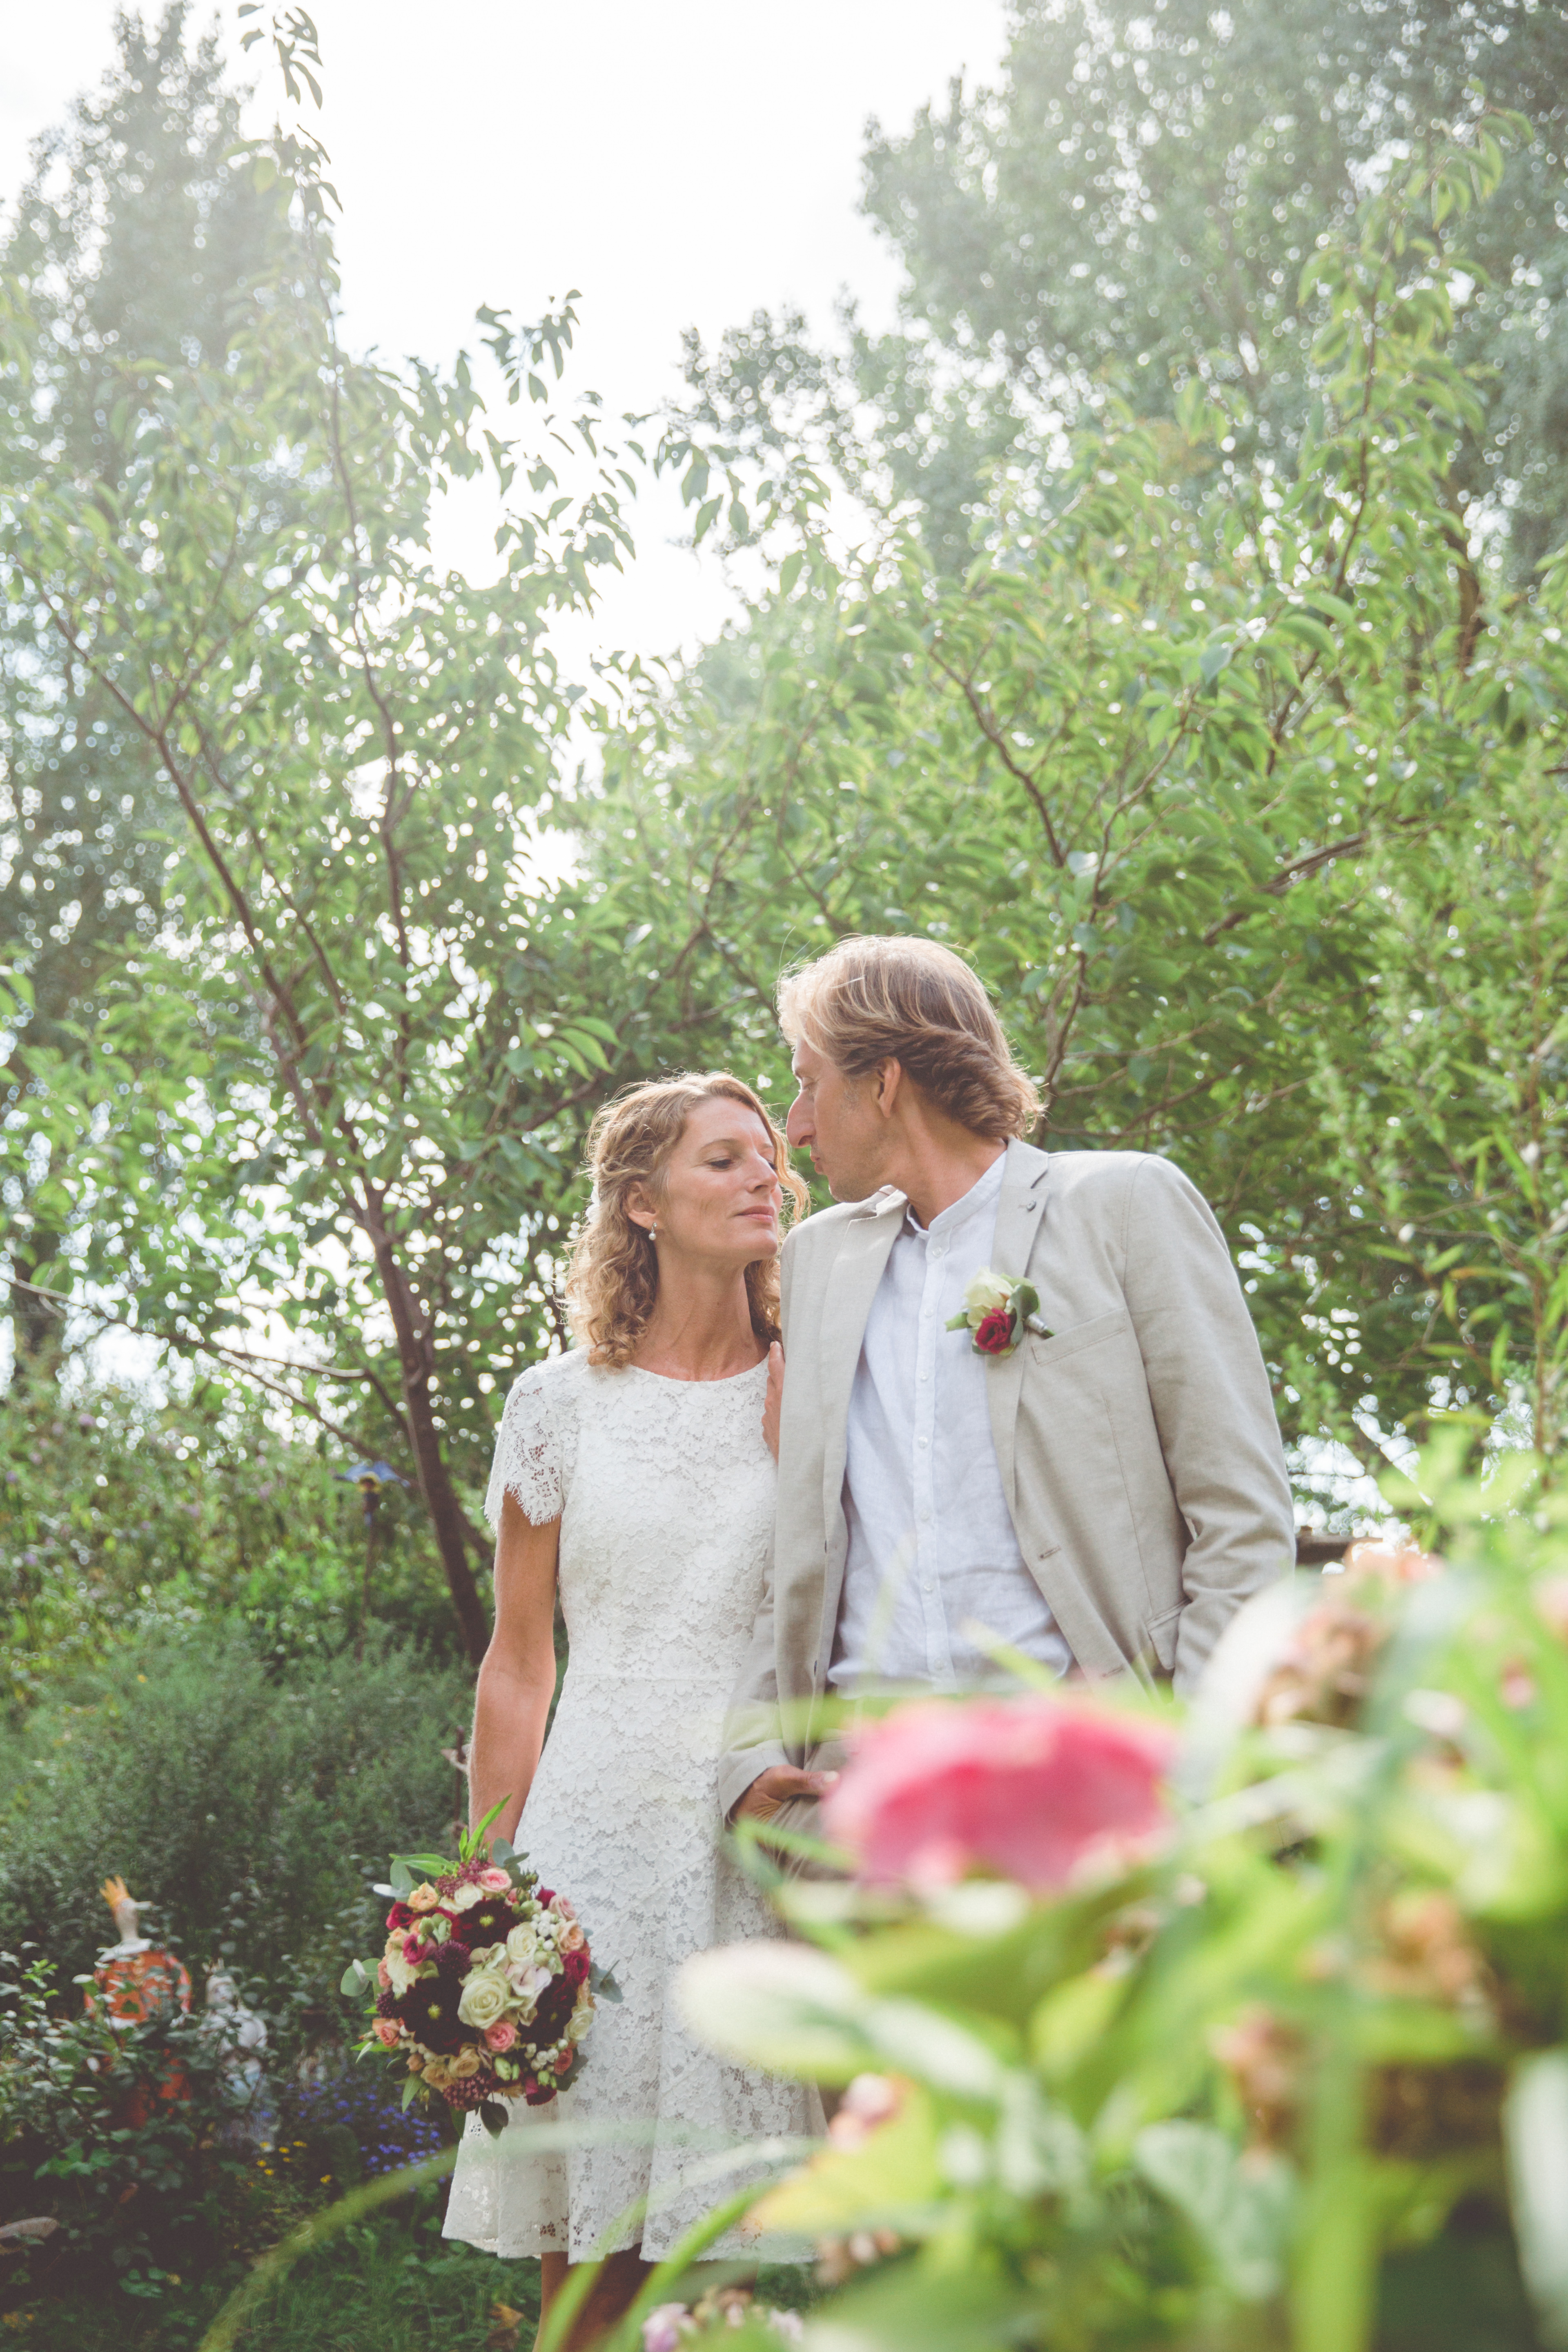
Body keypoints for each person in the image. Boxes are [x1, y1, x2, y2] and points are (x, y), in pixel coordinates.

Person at [719, 935, 1296, 1839]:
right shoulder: (817, 1261)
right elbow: (802, 1540)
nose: (795, 1126)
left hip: (1092, 1794)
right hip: (862, 1815)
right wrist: (751, 1760)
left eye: (807, 1082)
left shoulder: (1124, 1205)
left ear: (885, 1083)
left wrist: (1189, 1759)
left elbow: (1243, 1520)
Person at [443, 1075, 821, 2349]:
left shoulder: (818, 1392)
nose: (763, 1177)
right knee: (589, 2247)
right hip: (591, 1842)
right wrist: (478, 1890)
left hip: (747, 1837)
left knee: (722, 2252)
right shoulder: (556, 1405)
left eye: (768, 1157)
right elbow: (518, 1658)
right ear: (643, 1204)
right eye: (724, 1161)